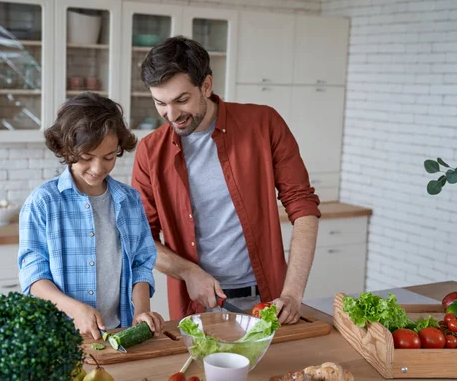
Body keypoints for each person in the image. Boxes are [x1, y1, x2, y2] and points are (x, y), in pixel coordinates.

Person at [131, 36, 321, 324]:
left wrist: (293, 294)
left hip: (268, 302)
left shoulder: (264, 124)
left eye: (182, 100)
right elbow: (142, 238)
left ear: (206, 86)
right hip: (195, 307)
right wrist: (188, 272)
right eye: (161, 103)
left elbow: (303, 206)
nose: (172, 115)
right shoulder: (149, 152)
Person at [18, 92, 164, 340]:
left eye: (108, 157)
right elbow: (34, 276)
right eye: (86, 158)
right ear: (66, 149)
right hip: (61, 336)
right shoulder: (43, 202)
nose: (98, 169)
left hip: (119, 331)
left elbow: (141, 263)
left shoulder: (129, 200)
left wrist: (142, 311)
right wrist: (75, 309)